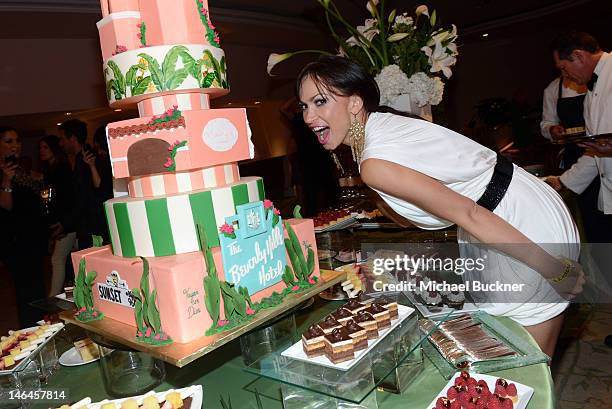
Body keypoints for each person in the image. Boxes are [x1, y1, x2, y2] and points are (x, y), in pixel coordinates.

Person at [296, 55, 585, 357]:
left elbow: (467, 212)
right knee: (523, 364)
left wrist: (555, 270)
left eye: (319, 101)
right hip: (518, 207)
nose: (308, 116)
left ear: (355, 103)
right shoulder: (384, 126)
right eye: (304, 106)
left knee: (523, 367)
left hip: (515, 225)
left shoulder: (375, 160)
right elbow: (413, 215)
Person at [544, 31, 612, 348]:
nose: (565, 76)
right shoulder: (590, 93)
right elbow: (594, 151)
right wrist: (564, 181)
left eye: (564, 68)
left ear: (580, 57)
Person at [0, 126, 47, 326]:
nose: (15, 146)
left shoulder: (22, 170)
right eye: (9, 141)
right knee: (27, 295)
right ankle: (31, 336)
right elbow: (5, 206)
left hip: (34, 239)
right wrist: (6, 180)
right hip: (18, 244)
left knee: (38, 292)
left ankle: (40, 333)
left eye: (17, 140)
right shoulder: (4, 174)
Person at [54, 119, 102, 250]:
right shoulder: (79, 159)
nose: (60, 143)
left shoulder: (84, 161)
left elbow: (84, 197)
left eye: (62, 138)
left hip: (90, 226)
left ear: (73, 139)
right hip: (86, 224)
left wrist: (65, 223)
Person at [39, 135, 76, 296]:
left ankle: (53, 298)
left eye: (45, 147)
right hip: (63, 222)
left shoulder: (61, 168)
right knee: (63, 259)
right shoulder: (51, 169)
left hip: (68, 222)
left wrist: (64, 223)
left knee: (58, 258)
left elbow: (68, 199)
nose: (41, 151)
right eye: (40, 148)